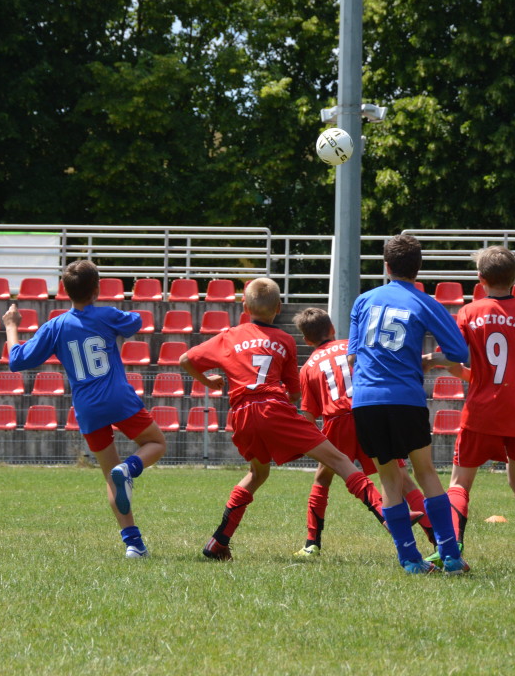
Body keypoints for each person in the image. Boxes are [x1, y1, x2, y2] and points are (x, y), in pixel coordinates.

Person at [178, 278, 387, 562]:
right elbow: (295, 393)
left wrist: (208, 380)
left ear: (244, 306)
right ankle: (388, 517)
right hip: (273, 409)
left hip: (241, 415)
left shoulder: (228, 336)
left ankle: (219, 541)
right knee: (340, 460)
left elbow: (185, 360)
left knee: (257, 474)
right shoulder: (284, 340)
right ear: (278, 307)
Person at [3, 261, 166, 559]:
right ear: (97, 289)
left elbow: (17, 360)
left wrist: (11, 325)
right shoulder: (106, 315)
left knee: (109, 476)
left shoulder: (55, 326)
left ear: (65, 291)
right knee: (156, 443)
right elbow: (136, 321)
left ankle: (133, 544)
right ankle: (129, 468)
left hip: (88, 408)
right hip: (118, 397)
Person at [425, 246, 515, 572]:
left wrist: (434, 363)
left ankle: (451, 552)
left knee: (460, 483)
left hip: (482, 411)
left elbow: (452, 361)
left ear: (480, 279)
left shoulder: (469, 312)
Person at [347, 234, 471, 574]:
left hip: (366, 400)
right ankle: (450, 556)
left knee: (389, 478)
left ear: (386, 266)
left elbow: (353, 358)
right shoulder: (425, 302)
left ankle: (410, 561)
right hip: (405, 398)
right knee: (425, 472)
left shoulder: (363, 301)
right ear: (418, 268)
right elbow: (459, 352)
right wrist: (430, 360)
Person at [291, 307, 435, 557]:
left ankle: (312, 542)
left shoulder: (307, 368)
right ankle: (436, 537)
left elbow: (309, 415)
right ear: (332, 329)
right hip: (367, 412)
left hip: (336, 422)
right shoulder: (352, 346)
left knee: (322, 479)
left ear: (306, 340)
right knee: (402, 477)